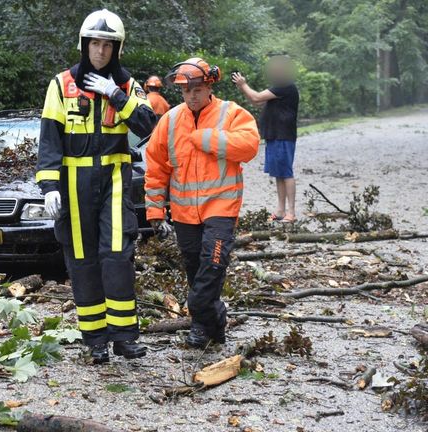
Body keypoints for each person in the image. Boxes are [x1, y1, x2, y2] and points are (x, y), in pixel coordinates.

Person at [35, 9, 157, 363]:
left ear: (117, 49)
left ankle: (125, 337)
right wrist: (49, 187)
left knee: (117, 256)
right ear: (84, 44)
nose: (100, 52)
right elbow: (49, 141)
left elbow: (147, 125)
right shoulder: (61, 85)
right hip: (74, 183)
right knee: (82, 261)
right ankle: (95, 341)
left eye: (107, 45)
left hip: (115, 180)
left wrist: (116, 96)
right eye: (94, 44)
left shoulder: (127, 85)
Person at [144, 57, 259, 348]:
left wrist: (207, 139)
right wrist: (155, 209)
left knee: (213, 263)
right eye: (186, 91)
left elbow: (249, 146)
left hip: (221, 206)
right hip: (183, 212)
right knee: (195, 268)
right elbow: (156, 167)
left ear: (209, 86)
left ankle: (197, 313)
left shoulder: (231, 113)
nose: (191, 96)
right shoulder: (169, 121)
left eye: (197, 89)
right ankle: (212, 323)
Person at [232, 55, 299, 223]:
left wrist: (242, 84)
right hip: (275, 136)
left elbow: (255, 98)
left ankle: (291, 212)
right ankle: (280, 211)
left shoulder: (285, 87)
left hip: (283, 136)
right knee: (279, 174)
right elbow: (257, 102)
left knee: (286, 173)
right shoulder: (279, 87)